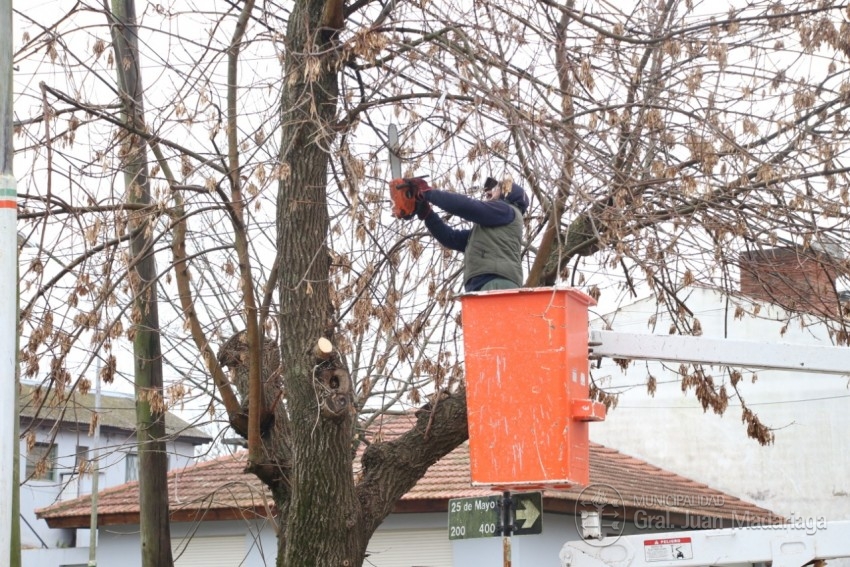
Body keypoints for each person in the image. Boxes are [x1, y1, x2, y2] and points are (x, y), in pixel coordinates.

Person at [401, 176, 529, 292]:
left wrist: (428, 192)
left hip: (497, 283)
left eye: (495, 189)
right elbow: (451, 238)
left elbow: (468, 207)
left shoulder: (507, 210)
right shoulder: (490, 230)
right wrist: (427, 214)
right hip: (484, 284)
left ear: (508, 194)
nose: (488, 193)